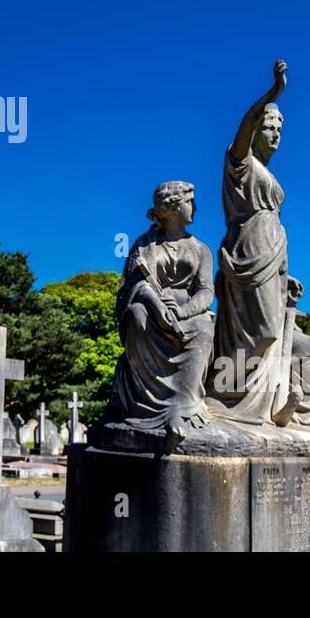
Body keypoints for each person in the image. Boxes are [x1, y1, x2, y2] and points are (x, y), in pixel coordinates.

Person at [211, 60, 310, 433]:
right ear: (255, 130)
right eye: (268, 127)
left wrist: (285, 275)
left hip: (271, 256)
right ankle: (230, 396)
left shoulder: (270, 176)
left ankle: (280, 404)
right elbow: (242, 129)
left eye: (279, 129)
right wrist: (274, 93)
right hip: (246, 255)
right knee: (263, 333)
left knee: (286, 340)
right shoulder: (239, 164)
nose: (275, 134)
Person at [110, 181, 215, 440]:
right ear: (172, 207)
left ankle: (184, 407)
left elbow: (205, 291)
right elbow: (133, 283)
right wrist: (156, 306)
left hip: (187, 314)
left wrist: (184, 311)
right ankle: (143, 408)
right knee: (135, 315)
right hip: (148, 306)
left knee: (203, 328)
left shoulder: (201, 249)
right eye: (190, 202)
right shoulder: (144, 244)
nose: (196, 208)